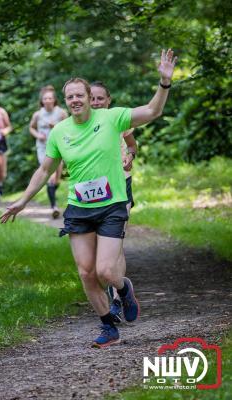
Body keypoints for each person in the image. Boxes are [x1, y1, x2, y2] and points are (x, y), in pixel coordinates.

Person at [0, 49, 177, 348]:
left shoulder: (111, 118)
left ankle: (124, 288)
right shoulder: (60, 131)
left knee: (106, 271)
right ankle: (109, 327)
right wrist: (24, 200)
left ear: (88, 95)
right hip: (79, 209)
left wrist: (164, 83)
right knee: (85, 272)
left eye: (79, 95)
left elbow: (151, 111)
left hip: (111, 206)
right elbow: (45, 170)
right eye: (70, 97)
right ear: (65, 101)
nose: (75, 100)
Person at [90, 81, 137, 323]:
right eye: (92, 99)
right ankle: (119, 287)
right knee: (100, 250)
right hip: (94, 191)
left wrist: (130, 157)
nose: (96, 103)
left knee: (117, 242)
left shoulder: (119, 120)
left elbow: (132, 146)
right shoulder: (80, 126)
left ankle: (118, 300)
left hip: (121, 184)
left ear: (109, 100)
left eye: (100, 98)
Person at [29, 85, 68, 218]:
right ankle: (54, 207)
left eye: (50, 98)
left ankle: (52, 189)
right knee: (50, 177)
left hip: (59, 147)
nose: (47, 100)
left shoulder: (61, 113)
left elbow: (69, 128)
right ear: (42, 100)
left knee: (56, 179)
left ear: (54, 99)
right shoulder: (37, 114)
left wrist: (56, 127)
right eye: (45, 98)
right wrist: (37, 135)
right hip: (43, 148)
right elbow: (31, 128)